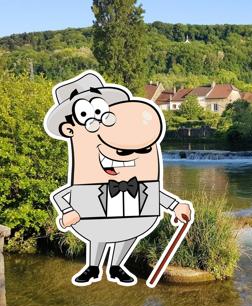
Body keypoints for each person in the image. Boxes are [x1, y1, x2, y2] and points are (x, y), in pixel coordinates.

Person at [44, 70, 193, 286]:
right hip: (94, 220)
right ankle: (93, 267)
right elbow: (61, 195)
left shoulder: (131, 150)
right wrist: (69, 212)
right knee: (97, 235)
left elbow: (153, 194)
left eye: (104, 113)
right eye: (89, 118)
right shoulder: (87, 167)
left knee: (127, 235)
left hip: (135, 219)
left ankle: (116, 266)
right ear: (69, 129)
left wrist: (176, 206)